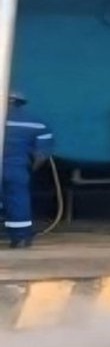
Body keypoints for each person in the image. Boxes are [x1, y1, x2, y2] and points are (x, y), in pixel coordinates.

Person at [3, 93, 51, 247]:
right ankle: (21, 238)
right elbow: (42, 154)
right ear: (20, 103)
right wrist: (30, 170)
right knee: (18, 201)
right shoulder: (36, 123)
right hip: (16, 169)